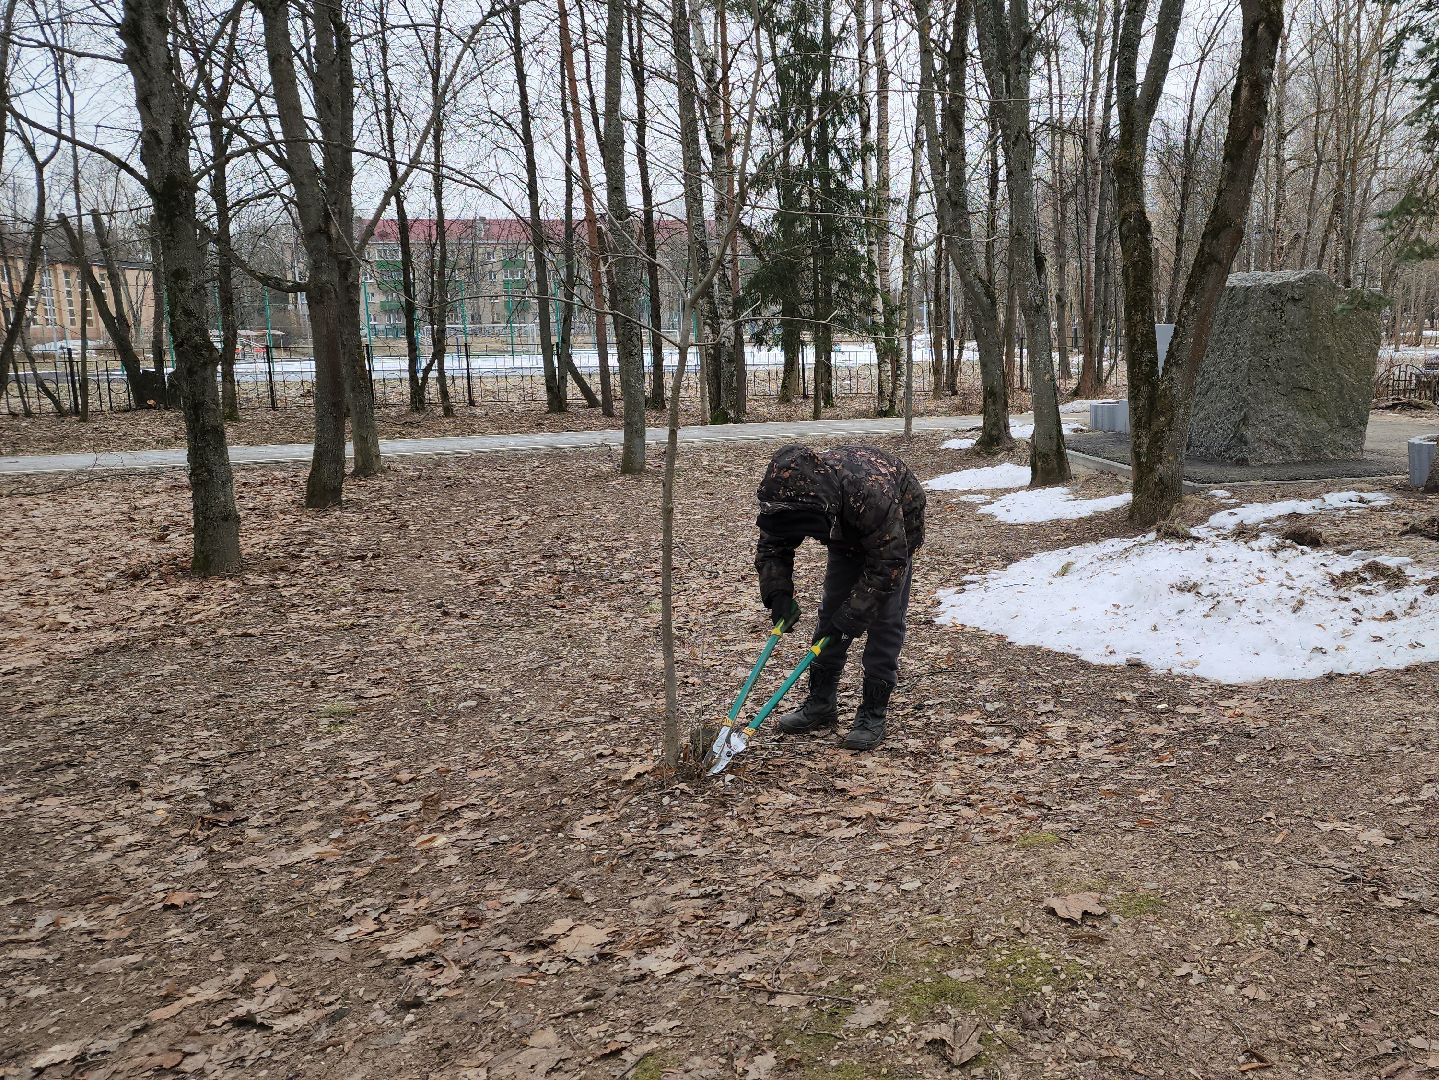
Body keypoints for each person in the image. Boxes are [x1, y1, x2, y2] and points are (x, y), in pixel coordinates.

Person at [754, 444, 925, 751]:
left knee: (884, 623)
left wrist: (851, 618)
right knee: (831, 614)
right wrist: (778, 593)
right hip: (845, 535)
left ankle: (873, 713)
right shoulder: (786, 496)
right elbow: (773, 546)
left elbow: (888, 564)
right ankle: (821, 704)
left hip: (894, 536)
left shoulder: (870, 491)